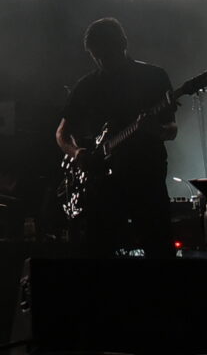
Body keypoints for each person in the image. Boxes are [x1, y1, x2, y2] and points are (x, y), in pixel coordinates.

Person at [55, 17, 176, 257]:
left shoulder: (153, 77)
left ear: (122, 44)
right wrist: (77, 152)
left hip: (147, 176)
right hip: (103, 183)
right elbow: (62, 133)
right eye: (96, 56)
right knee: (99, 252)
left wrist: (155, 131)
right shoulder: (87, 86)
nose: (102, 61)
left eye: (106, 53)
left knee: (160, 250)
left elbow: (171, 129)